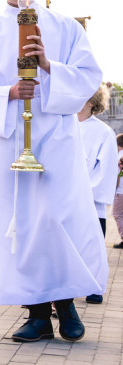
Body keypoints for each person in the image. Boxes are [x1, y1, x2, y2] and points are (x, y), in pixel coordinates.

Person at [0, 0, 105, 343]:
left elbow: (90, 75)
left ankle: (68, 306)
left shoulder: (63, 26)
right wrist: (7, 92)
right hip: (11, 137)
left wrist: (48, 66)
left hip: (56, 134)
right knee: (23, 224)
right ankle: (37, 314)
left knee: (59, 217)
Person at [78, 86, 116, 304]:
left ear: (92, 102)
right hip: (67, 197)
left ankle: (94, 286)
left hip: (91, 200)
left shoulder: (103, 132)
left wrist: (85, 191)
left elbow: (107, 169)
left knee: (93, 245)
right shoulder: (65, 127)